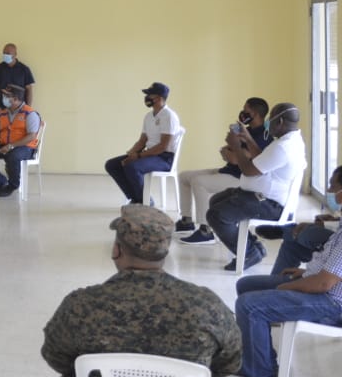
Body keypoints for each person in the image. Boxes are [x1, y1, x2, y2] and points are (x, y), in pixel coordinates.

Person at [41, 205, 240, 377]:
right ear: (165, 251)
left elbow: (56, 357)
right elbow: (230, 362)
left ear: (117, 250)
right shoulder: (206, 306)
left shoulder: (82, 305)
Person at [222, 165, 342, 377]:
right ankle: (260, 362)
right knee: (246, 285)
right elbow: (329, 270)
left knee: (250, 305)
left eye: (334, 187)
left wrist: (285, 287)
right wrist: (304, 272)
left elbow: (324, 284)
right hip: (321, 286)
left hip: (332, 303)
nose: (330, 191)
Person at [203, 102, 306, 271]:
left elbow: (250, 170)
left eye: (270, 120)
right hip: (260, 195)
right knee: (216, 201)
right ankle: (253, 247)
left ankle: (250, 252)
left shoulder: (283, 147)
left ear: (279, 122)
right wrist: (248, 139)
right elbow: (262, 159)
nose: (267, 123)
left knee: (216, 215)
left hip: (271, 204)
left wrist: (236, 146)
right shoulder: (289, 140)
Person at [176, 98, 271, 237]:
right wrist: (232, 152)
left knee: (198, 182)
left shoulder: (263, 135)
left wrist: (232, 153)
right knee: (184, 176)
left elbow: (234, 157)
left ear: (255, 113)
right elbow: (226, 150)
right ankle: (186, 220)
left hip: (241, 178)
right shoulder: (246, 130)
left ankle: (205, 230)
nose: (242, 113)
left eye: (246, 110)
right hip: (228, 170)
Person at [104, 82, 182, 206]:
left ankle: (145, 201)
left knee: (132, 167)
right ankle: (135, 198)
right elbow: (142, 141)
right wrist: (131, 153)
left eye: (150, 95)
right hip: (149, 154)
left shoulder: (169, 116)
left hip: (164, 158)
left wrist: (139, 156)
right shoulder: (148, 116)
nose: (147, 98)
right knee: (112, 165)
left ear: (160, 98)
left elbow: (163, 146)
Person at [0, 83, 41, 197]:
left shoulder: (30, 113)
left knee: (13, 156)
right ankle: (1, 183)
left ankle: (12, 186)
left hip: (25, 148)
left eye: (6, 96)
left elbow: (32, 136)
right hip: (5, 146)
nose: (3, 98)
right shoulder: (2, 114)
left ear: (15, 99)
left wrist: (11, 146)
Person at [0, 43, 35, 109]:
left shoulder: (24, 69)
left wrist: (28, 108)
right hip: (2, 110)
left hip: (20, 110)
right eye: (4, 53)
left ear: (15, 54)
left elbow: (29, 89)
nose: (5, 55)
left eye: (8, 53)